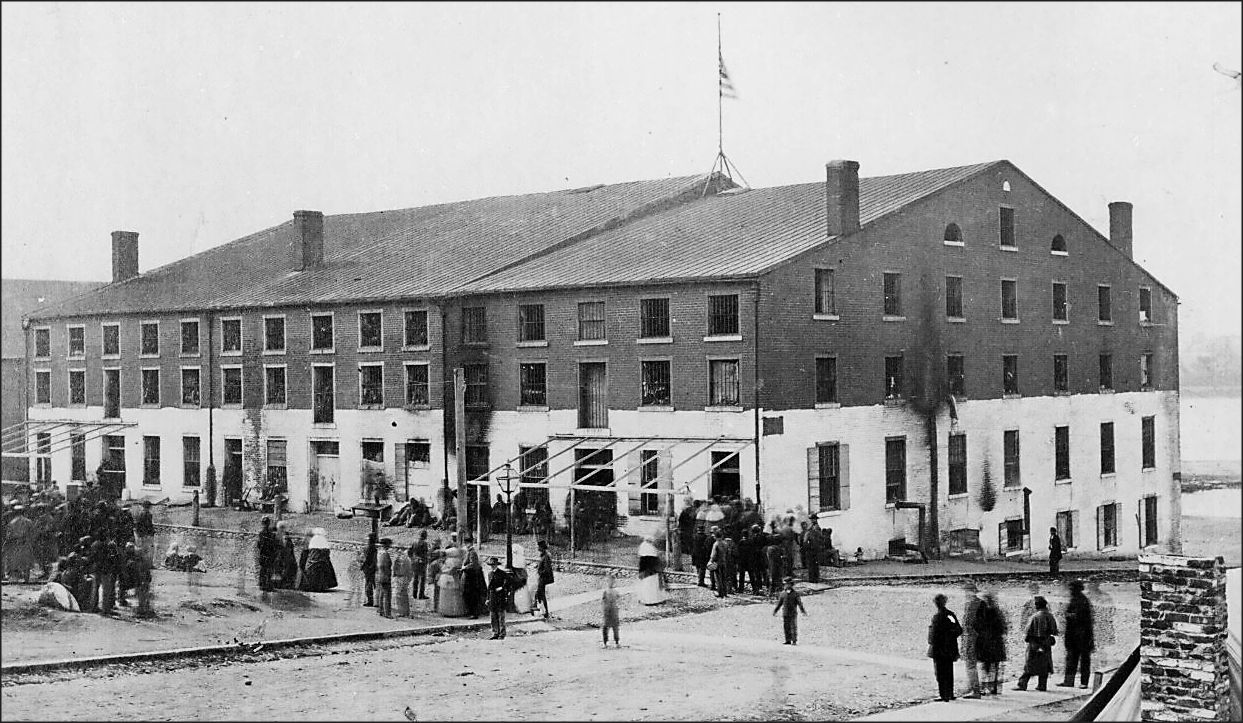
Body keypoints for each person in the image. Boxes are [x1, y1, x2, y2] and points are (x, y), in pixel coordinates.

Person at [1015, 595, 1059, 691]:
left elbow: (1028, 631)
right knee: (1045, 665)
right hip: (1046, 643)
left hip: (1035, 643)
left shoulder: (1035, 617)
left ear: (1037, 605)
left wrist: (1028, 639)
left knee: (1030, 664)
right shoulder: (1050, 616)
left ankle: (1022, 684)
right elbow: (1054, 631)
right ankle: (1042, 685)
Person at [928, 592, 964, 702]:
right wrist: (950, 637)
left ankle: (943, 694)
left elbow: (933, 636)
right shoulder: (950, 615)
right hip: (949, 648)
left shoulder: (936, 617)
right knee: (949, 672)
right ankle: (950, 693)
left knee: (940, 673)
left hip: (939, 649)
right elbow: (959, 629)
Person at [1059, 580, 1095, 689]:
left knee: (1083, 660)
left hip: (1082, 636)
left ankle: (1083, 682)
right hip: (1075, 636)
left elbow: (1081, 618)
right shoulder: (1077, 600)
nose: (1070, 591)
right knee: (1071, 659)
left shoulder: (1082, 601)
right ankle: (1069, 681)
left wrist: (1069, 615)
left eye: (1072, 589)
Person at [974, 591, 1008, 695]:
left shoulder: (981, 611)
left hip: (984, 642)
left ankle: (985, 688)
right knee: (995, 666)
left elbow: (976, 626)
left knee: (985, 666)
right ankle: (995, 688)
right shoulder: (997, 612)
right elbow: (1003, 628)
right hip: (996, 642)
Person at [961, 582, 983, 698]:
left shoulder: (972, 604)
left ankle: (975, 689)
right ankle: (973, 686)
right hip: (976, 637)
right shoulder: (980, 603)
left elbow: (968, 623)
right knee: (972, 664)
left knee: (970, 664)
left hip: (971, 638)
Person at [299, 528, 338, 592]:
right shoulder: (323, 541)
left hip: (313, 566)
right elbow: (327, 555)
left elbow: (307, 555)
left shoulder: (312, 541)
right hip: (323, 564)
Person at [4, 505, 36, 582]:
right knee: (26, 562)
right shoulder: (28, 522)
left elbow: (9, 536)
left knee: (16, 561)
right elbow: (32, 533)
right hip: (26, 543)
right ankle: (26, 579)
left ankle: (17, 578)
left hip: (16, 545)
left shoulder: (12, 523)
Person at [773, 577, 807, 644]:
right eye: (785, 584)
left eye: (787, 584)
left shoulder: (795, 594)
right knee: (786, 627)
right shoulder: (783, 593)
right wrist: (775, 611)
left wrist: (802, 611)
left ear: (791, 585)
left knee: (793, 626)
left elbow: (799, 603)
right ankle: (787, 640)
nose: (786, 586)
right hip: (785, 612)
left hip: (793, 613)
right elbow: (779, 603)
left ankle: (794, 640)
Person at [485, 556, 513, 640]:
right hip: (492, 596)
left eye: (494, 564)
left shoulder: (502, 573)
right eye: (491, 565)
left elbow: (510, 581)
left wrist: (502, 587)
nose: (493, 566)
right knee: (493, 616)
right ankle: (495, 633)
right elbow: (489, 587)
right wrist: (487, 598)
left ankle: (502, 633)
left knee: (501, 616)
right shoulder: (490, 574)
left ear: (497, 565)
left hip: (500, 596)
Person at [637, 536, 666, 605]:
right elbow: (653, 558)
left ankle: (647, 599)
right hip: (650, 568)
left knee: (648, 584)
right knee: (650, 584)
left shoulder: (644, 546)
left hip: (646, 568)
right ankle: (651, 600)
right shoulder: (648, 547)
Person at [462, 544, 485, 618]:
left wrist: (464, 567)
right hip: (472, 576)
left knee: (472, 595)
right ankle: (471, 612)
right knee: (470, 594)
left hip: (473, 577)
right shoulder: (470, 552)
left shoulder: (472, 552)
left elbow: (473, 564)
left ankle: (474, 613)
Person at [257, 517, 280, 592]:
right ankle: (267, 585)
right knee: (268, 570)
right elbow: (274, 545)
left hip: (263, 554)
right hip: (268, 554)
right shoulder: (270, 534)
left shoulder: (261, 533)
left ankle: (262, 584)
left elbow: (259, 544)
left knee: (263, 570)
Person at [533, 539, 554, 619]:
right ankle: (543, 611)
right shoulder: (543, 556)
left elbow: (547, 569)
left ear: (542, 548)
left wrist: (540, 572)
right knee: (540, 594)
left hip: (543, 578)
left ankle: (544, 612)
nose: (538, 548)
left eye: (539, 547)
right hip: (542, 578)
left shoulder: (546, 557)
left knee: (540, 594)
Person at [392, 542, 413, 618]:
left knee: (399, 594)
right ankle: (405, 611)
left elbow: (397, 569)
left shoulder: (401, 559)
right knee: (404, 594)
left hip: (401, 577)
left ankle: (401, 611)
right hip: (405, 577)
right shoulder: (407, 559)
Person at [277, 523, 300, 589]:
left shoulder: (285, 537)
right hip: (284, 559)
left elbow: (288, 549)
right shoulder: (281, 536)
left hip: (287, 560)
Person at [601, 574, 621, 647]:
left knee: (615, 627)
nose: (611, 583)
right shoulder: (605, 591)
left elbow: (618, 599)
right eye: (610, 581)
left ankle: (617, 642)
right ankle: (605, 642)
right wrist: (604, 610)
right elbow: (603, 601)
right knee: (606, 627)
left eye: (613, 581)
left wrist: (617, 608)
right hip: (607, 611)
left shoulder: (616, 591)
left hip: (614, 610)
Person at [134, 500, 156, 568]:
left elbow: (138, 525)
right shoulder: (147, 514)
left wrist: (139, 534)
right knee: (149, 550)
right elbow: (148, 525)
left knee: (143, 550)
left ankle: (143, 564)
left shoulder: (139, 514)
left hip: (142, 534)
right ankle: (148, 564)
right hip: (147, 535)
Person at [375, 537, 393, 618]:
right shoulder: (385, 554)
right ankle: (387, 613)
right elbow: (384, 565)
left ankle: (381, 609)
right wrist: (387, 573)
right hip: (384, 575)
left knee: (381, 593)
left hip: (379, 574)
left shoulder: (379, 552)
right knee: (387, 594)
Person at [708, 527, 729, 598]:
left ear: (716, 536)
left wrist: (710, 561)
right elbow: (728, 553)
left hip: (717, 562)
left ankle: (720, 592)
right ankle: (725, 592)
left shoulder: (716, 544)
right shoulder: (725, 543)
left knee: (718, 577)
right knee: (724, 577)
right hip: (724, 561)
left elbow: (713, 555)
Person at [410, 530, 430, 600]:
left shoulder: (414, 542)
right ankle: (421, 594)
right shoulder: (424, 543)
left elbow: (410, 551)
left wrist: (412, 558)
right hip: (422, 562)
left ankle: (414, 594)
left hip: (415, 561)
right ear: (425, 535)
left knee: (415, 578)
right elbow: (425, 553)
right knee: (422, 579)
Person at [360, 533, 378, 607]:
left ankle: (370, 600)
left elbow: (366, 559)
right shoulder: (373, 548)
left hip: (368, 568)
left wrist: (363, 566)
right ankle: (372, 599)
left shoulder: (369, 548)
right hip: (371, 568)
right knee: (371, 583)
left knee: (368, 584)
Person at [803, 518, 822, 584]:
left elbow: (805, 542)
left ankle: (813, 579)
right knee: (813, 565)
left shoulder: (810, 532)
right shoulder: (816, 530)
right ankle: (814, 578)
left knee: (812, 565)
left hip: (812, 550)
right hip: (814, 550)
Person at [427, 549, 445, 613]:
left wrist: (430, 580)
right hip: (442, 579)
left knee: (436, 593)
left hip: (437, 579)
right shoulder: (442, 562)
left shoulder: (434, 563)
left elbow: (431, 574)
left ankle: (436, 607)